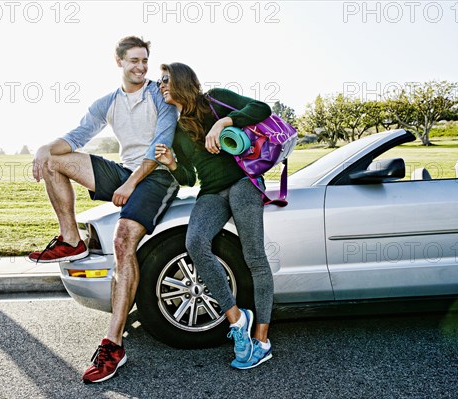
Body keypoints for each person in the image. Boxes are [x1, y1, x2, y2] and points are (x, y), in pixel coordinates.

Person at [29, 36, 179, 383]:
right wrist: (43, 147)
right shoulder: (108, 103)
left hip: (157, 176)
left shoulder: (160, 94)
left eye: (145, 61)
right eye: (134, 61)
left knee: (123, 241)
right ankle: (71, 238)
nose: (141, 67)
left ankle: (113, 344)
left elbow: (162, 146)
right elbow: (77, 136)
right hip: (126, 171)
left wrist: (129, 186)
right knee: (54, 160)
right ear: (119, 62)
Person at [155, 62, 275, 369]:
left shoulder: (215, 99)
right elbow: (188, 178)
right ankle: (237, 320)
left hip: (242, 182)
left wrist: (222, 123)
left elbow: (262, 109)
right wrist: (171, 163)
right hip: (211, 192)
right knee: (195, 242)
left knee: (255, 258)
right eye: (159, 81)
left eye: (165, 80)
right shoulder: (178, 128)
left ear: (181, 80)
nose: (160, 85)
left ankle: (262, 340)